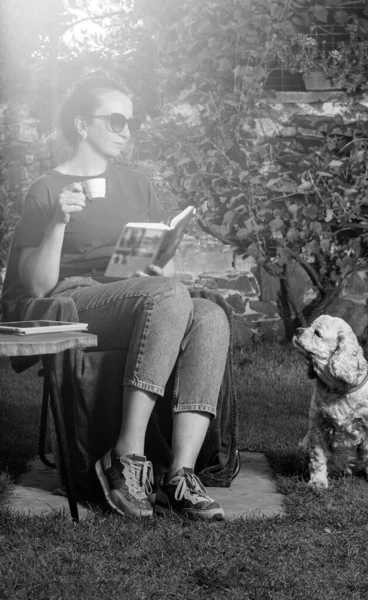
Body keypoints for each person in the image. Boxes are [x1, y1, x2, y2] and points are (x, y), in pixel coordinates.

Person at [9, 71, 231, 521]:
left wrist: (159, 263)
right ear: (81, 124)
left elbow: (165, 274)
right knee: (169, 297)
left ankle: (180, 475)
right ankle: (126, 457)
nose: (126, 131)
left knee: (209, 315)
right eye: (115, 120)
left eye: (130, 121)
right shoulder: (48, 189)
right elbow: (35, 286)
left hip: (139, 292)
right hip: (77, 299)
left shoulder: (138, 184)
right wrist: (58, 220)